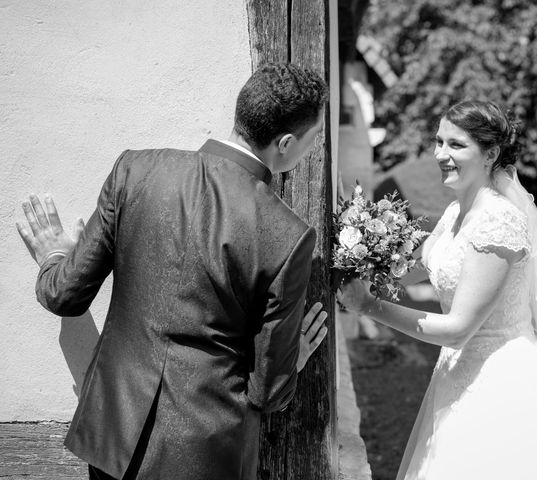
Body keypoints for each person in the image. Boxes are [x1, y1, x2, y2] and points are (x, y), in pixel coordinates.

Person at [17, 62, 329, 480]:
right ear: (287, 143)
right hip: (205, 456)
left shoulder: (135, 170)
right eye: (316, 139)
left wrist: (54, 257)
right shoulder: (288, 235)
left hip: (114, 439)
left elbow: (64, 295)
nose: (315, 147)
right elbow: (268, 391)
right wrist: (290, 364)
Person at [338, 100, 537, 479]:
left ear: (491, 153)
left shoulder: (497, 223)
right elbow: (423, 269)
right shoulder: (455, 212)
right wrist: (361, 257)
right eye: (438, 142)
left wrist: (368, 305)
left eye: (456, 145)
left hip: (501, 381)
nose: (440, 154)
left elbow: (459, 329)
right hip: (457, 373)